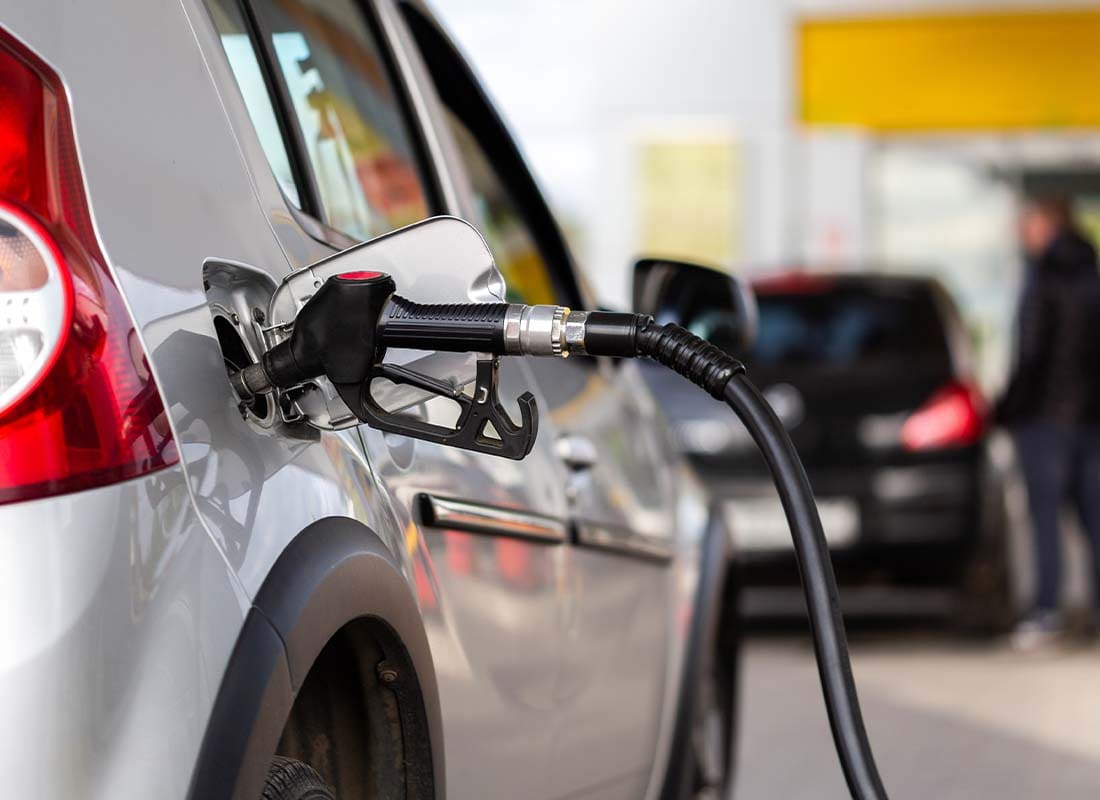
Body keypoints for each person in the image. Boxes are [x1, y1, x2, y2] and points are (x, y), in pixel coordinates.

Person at [996, 196, 1100, 649]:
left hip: (1044, 419)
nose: (1021, 233)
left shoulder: (1043, 278)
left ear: (1047, 224)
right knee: (1095, 520)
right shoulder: (1092, 274)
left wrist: (1005, 409)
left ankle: (1046, 612)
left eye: (1026, 223)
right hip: (1093, 418)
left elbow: (1033, 354)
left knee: (1044, 520)